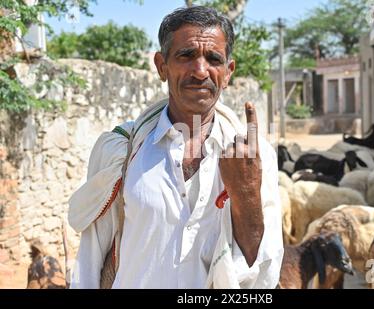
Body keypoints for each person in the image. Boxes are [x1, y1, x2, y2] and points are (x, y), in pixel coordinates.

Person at [68, 6, 283, 289]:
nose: (200, 71)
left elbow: (263, 275)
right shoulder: (122, 150)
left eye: (213, 58)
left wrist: (246, 195)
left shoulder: (254, 157)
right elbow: (90, 259)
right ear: (162, 66)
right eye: (186, 55)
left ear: (228, 72)